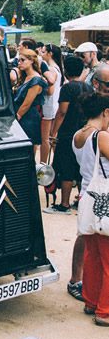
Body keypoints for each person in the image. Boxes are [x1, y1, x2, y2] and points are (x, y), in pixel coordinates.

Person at [73, 91, 109, 324]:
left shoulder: (78, 135)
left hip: (88, 196)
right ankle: (105, 311)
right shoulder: (102, 136)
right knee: (107, 258)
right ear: (106, 112)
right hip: (105, 199)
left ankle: (91, 300)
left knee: (93, 254)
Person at [47, 56, 92, 214]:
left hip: (67, 132)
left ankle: (64, 204)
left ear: (66, 70)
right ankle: (81, 202)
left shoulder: (67, 88)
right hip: (84, 131)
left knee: (66, 167)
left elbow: (62, 112)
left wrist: (53, 132)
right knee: (81, 168)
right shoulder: (88, 87)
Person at [13, 48, 47, 154]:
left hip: (28, 116)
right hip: (22, 114)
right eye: (19, 60)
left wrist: (17, 117)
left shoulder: (36, 80)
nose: (20, 63)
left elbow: (27, 103)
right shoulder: (26, 77)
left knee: (28, 148)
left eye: (23, 60)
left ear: (32, 61)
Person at [39, 44, 63, 163]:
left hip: (48, 106)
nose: (41, 54)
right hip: (53, 105)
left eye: (43, 52)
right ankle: (57, 160)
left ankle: (43, 165)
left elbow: (50, 90)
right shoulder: (57, 67)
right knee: (50, 137)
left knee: (45, 139)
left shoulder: (51, 69)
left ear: (50, 54)